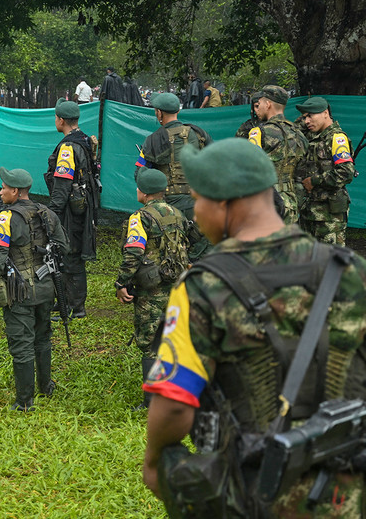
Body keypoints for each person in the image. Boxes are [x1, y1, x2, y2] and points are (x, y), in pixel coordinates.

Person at [141, 138, 366, 517]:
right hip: (348, 493)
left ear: (224, 203)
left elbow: (175, 403)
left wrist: (153, 462)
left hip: (254, 492)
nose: (196, 214)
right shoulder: (352, 270)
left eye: (198, 201)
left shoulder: (202, 287)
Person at [0, 168, 67, 411]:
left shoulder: (6, 218)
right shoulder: (47, 213)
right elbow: (64, 247)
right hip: (46, 287)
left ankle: (25, 402)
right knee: (43, 337)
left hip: (20, 292)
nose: (0, 192)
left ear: (15, 191)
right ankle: (46, 386)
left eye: (4, 188)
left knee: (22, 344)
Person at [114, 169, 205, 410]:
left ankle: (152, 402)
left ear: (143, 192)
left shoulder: (140, 218)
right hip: (177, 285)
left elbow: (134, 252)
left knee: (150, 343)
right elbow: (191, 238)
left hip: (151, 290)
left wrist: (122, 283)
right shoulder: (176, 213)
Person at [45, 100, 98, 318]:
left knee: (70, 255)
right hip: (83, 206)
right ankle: (66, 302)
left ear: (61, 120)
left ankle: (74, 307)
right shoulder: (85, 139)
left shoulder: (68, 148)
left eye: (56, 117)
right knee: (69, 254)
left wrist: (51, 214)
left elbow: (62, 185)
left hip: (71, 210)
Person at [134, 92, 211, 218]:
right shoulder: (199, 133)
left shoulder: (153, 140)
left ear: (159, 113)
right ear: (178, 111)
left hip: (167, 209)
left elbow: (140, 175)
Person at [294, 96, 357, 245]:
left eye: (310, 116)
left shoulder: (336, 138)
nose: (306, 121)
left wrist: (314, 181)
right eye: (304, 117)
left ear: (325, 113)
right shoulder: (312, 138)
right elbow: (294, 130)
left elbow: (345, 172)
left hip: (329, 217)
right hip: (309, 212)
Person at [247, 84, 308, 224]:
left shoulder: (259, 132)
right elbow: (302, 171)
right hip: (290, 203)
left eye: (259, 103)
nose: (258, 107)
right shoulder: (298, 134)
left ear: (268, 104)